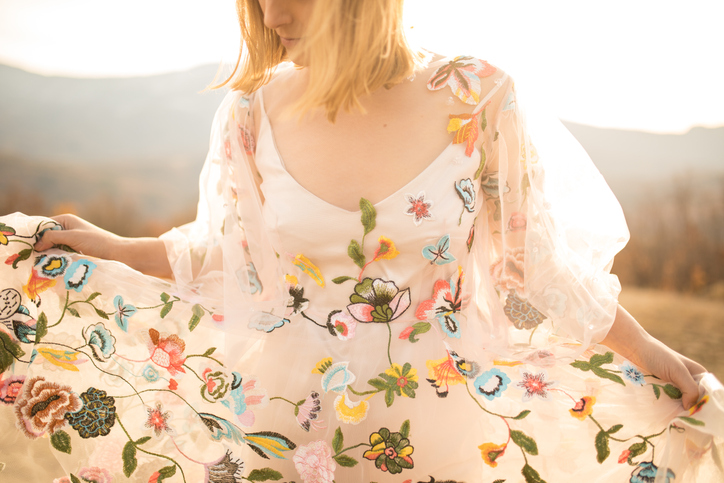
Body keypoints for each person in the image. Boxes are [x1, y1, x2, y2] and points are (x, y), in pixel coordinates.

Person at [1, 0, 721, 481]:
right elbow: (229, 252)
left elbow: (536, 266)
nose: (273, 13)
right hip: (283, 428)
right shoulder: (251, 112)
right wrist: (123, 248)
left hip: (442, 427)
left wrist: (653, 354)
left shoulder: (478, 97)